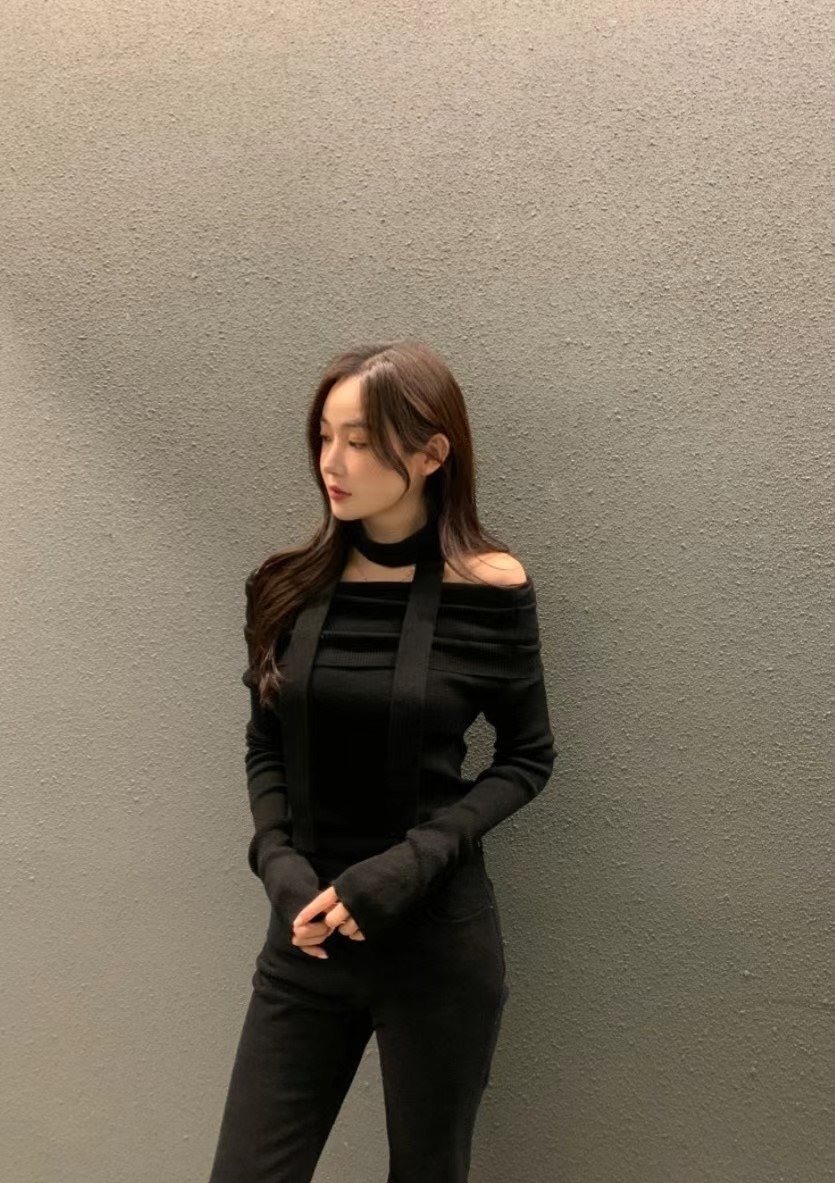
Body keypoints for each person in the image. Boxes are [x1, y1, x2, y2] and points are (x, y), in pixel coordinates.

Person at [208, 339, 558, 1183]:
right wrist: (276, 861)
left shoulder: (491, 589)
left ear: (433, 452)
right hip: (305, 939)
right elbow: (265, 742)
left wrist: (409, 865)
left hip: (435, 946)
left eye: (360, 441)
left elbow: (527, 757)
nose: (332, 462)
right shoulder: (286, 585)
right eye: (323, 437)